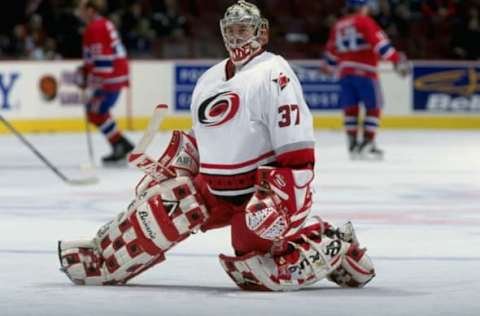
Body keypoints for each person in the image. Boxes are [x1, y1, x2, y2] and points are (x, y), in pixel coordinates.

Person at [58, 1, 375, 291]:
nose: (236, 38)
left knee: (253, 268)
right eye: (231, 31)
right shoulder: (208, 79)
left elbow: (299, 156)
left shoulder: (274, 73)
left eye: (243, 30)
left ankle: (337, 243)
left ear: (261, 33)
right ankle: (104, 255)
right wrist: (173, 169)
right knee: (163, 208)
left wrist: (282, 201)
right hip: (215, 188)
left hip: (258, 192)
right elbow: (202, 141)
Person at [322, 0, 409, 160]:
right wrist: (396, 60)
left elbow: (331, 55)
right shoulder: (364, 21)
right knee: (374, 107)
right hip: (365, 70)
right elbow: (380, 44)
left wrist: (328, 66)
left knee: (350, 109)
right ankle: (367, 144)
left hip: (344, 72)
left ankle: (353, 145)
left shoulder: (338, 25)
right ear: (362, 6)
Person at [75, 0, 133, 165]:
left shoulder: (97, 27)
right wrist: (85, 72)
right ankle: (120, 143)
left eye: (81, 8)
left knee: (96, 110)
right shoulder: (99, 25)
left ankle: (120, 143)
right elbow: (94, 57)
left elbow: (103, 61)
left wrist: (92, 84)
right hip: (113, 74)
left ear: (91, 10)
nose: (78, 12)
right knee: (96, 111)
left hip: (110, 77)